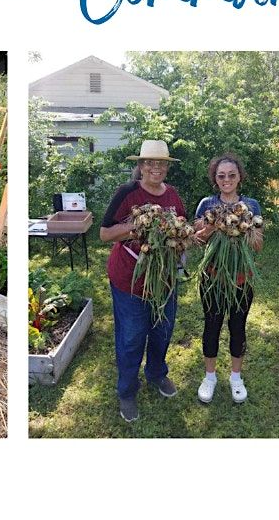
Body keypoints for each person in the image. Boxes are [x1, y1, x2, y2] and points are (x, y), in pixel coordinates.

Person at [100, 140, 187, 422]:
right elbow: (104, 233)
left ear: (167, 167)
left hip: (164, 280)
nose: (155, 168)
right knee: (132, 336)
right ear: (140, 166)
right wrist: (135, 227)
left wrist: (181, 237)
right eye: (149, 162)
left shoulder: (172, 195)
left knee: (162, 330)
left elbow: (181, 230)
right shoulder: (127, 193)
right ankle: (127, 390)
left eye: (161, 163)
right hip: (129, 279)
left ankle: (157, 374)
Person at [193, 154, 263, 404]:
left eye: (231, 175)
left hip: (242, 279)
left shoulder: (251, 206)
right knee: (211, 326)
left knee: (237, 327)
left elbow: (257, 246)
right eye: (221, 176)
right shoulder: (206, 204)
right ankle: (209, 377)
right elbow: (197, 240)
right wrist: (213, 225)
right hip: (212, 278)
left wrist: (245, 228)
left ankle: (236, 377)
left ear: (239, 177)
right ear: (215, 178)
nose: (226, 180)